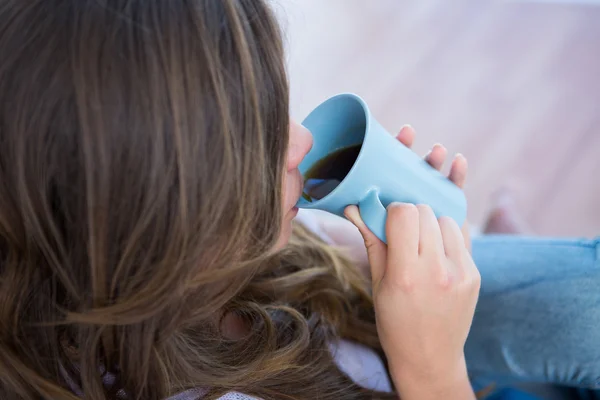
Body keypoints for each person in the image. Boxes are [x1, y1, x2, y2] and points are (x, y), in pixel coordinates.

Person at [0, 1, 479, 399]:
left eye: (274, 109)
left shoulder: (221, 253)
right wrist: (435, 374)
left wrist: (396, 229)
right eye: (257, 140)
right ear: (153, 220)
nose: (302, 140)